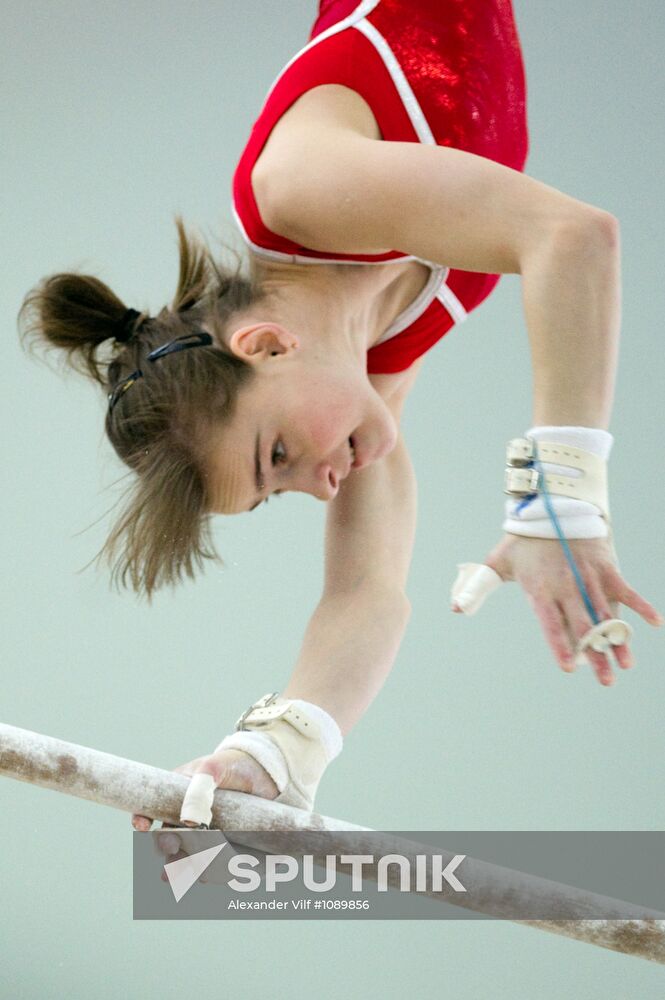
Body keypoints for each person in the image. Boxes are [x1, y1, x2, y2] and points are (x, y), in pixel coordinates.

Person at [19, 1, 662, 838]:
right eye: (280, 489)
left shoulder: (295, 194)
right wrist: (276, 754)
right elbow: (365, 589)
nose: (321, 483)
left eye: (276, 452)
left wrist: (559, 499)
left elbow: (572, 237)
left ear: (267, 345)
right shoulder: (377, 360)